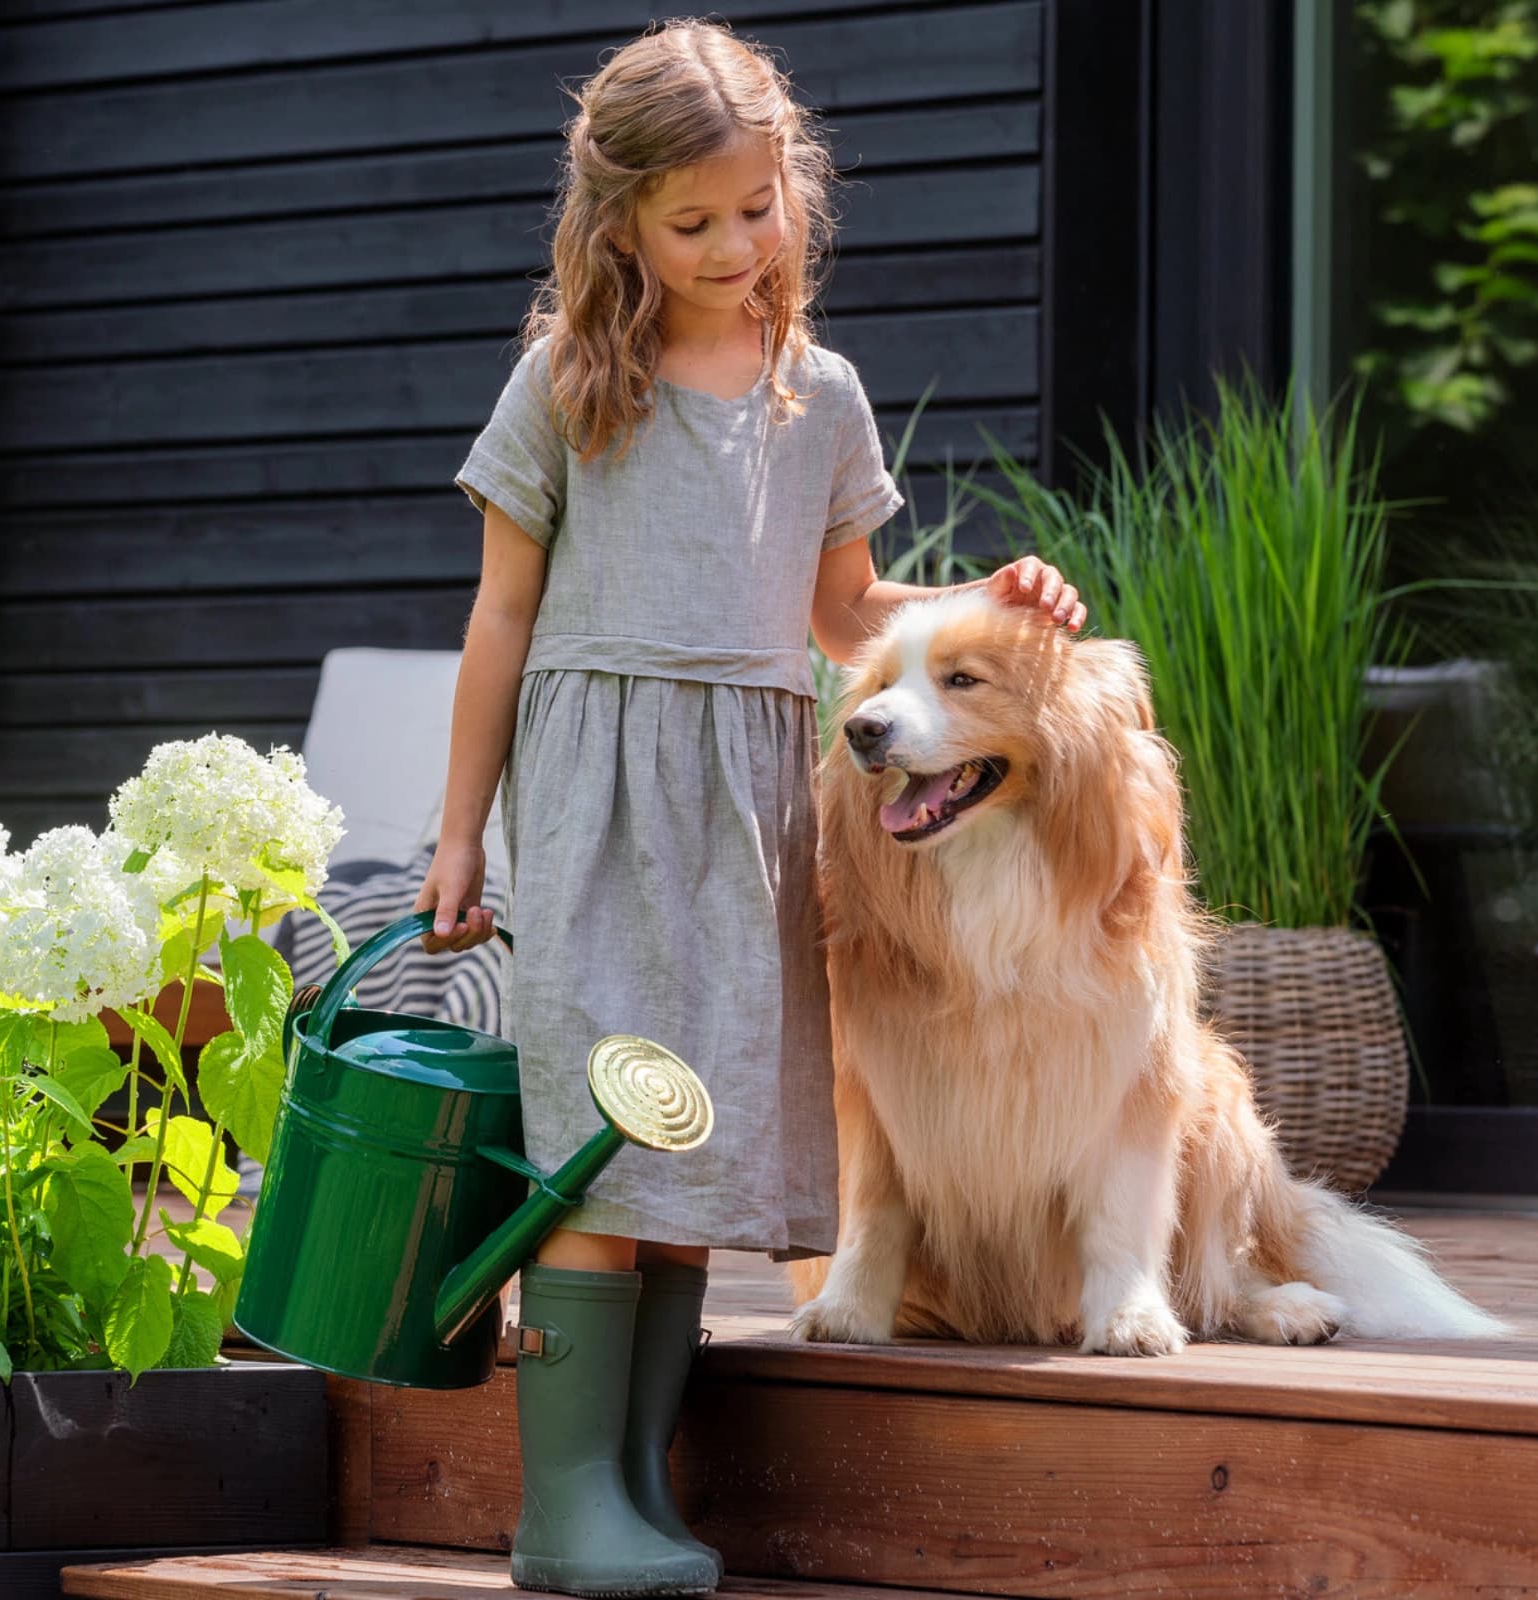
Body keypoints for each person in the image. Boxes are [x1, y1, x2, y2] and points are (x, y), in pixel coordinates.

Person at [414, 20, 1085, 1597]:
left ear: (798, 190)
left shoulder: (821, 397)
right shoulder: (573, 383)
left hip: (744, 809)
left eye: (757, 209)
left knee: (688, 1144)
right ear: (621, 226)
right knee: (598, 1134)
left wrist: (986, 596)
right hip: (601, 797)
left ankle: (635, 1487)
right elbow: (500, 615)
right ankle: (560, 1504)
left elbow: (848, 615)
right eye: (692, 222)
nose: (733, 246)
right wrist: (458, 831)